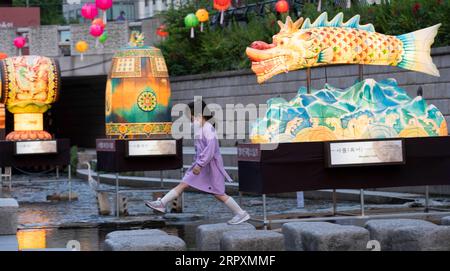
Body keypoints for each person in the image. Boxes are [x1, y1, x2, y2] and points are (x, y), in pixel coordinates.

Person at [145, 101, 250, 225]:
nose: (190, 119)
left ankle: (241, 213)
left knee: (218, 193)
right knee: (185, 183)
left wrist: (199, 164)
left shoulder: (208, 129)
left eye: (191, 116)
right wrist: (198, 164)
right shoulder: (203, 128)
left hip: (209, 167)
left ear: (199, 114)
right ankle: (162, 203)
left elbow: (210, 150)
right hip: (203, 166)